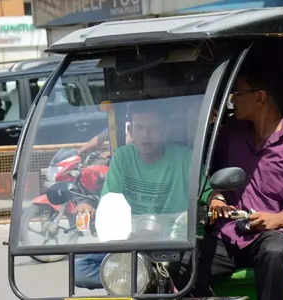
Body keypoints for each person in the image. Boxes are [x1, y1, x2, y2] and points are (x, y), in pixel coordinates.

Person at [191, 70, 283, 300]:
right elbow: (208, 173)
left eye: (238, 93)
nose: (233, 100)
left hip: (270, 234)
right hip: (228, 233)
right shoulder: (230, 135)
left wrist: (278, 219)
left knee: (275, 253)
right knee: (184, 262)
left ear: (260, 97)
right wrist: (216, 196)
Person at [75, 101, 197, 289]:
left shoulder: (185, 158)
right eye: (140, 128)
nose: (146, 135)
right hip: (131, 243)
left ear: (165, 130)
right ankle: (143, 276)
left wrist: (217, 200)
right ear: (131, 131)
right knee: (79, 270)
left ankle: (144, 276)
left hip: (171, 245)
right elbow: (110, 201)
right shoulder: (122, 157)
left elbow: (208, 194)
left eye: (154, 128)